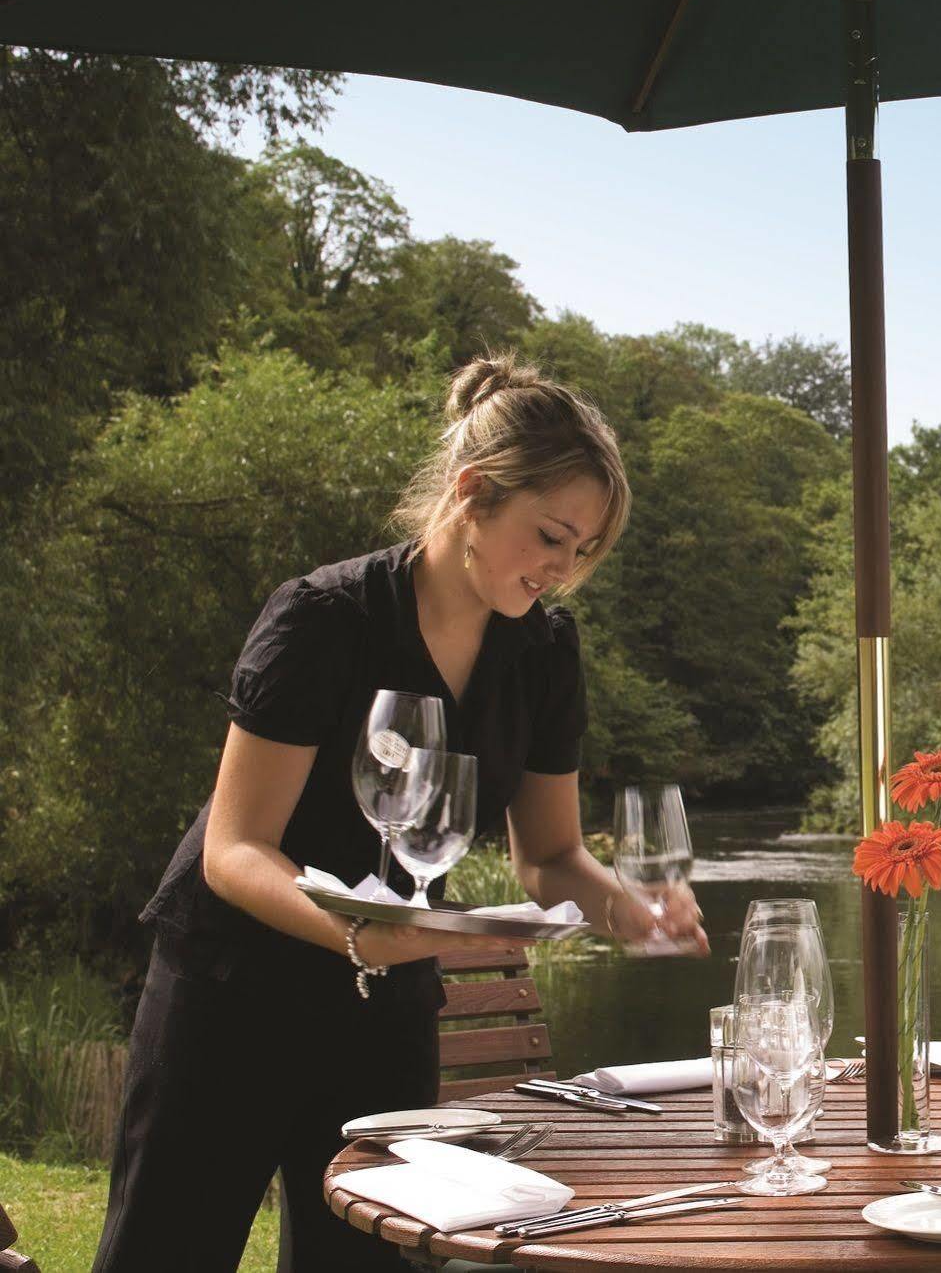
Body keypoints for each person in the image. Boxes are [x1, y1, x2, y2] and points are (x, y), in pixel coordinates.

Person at [93, 355, 708, 1273]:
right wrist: (352, 936)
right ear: (471, 493)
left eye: (582, 552)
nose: (562, 569)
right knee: (166, 1253)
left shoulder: (543, 652)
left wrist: (627, 907)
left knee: (369, 1264)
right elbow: (234, 850)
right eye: (549, 536)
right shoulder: (323, 619)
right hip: (229, 995)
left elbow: (548, 856)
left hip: (389, 1004)